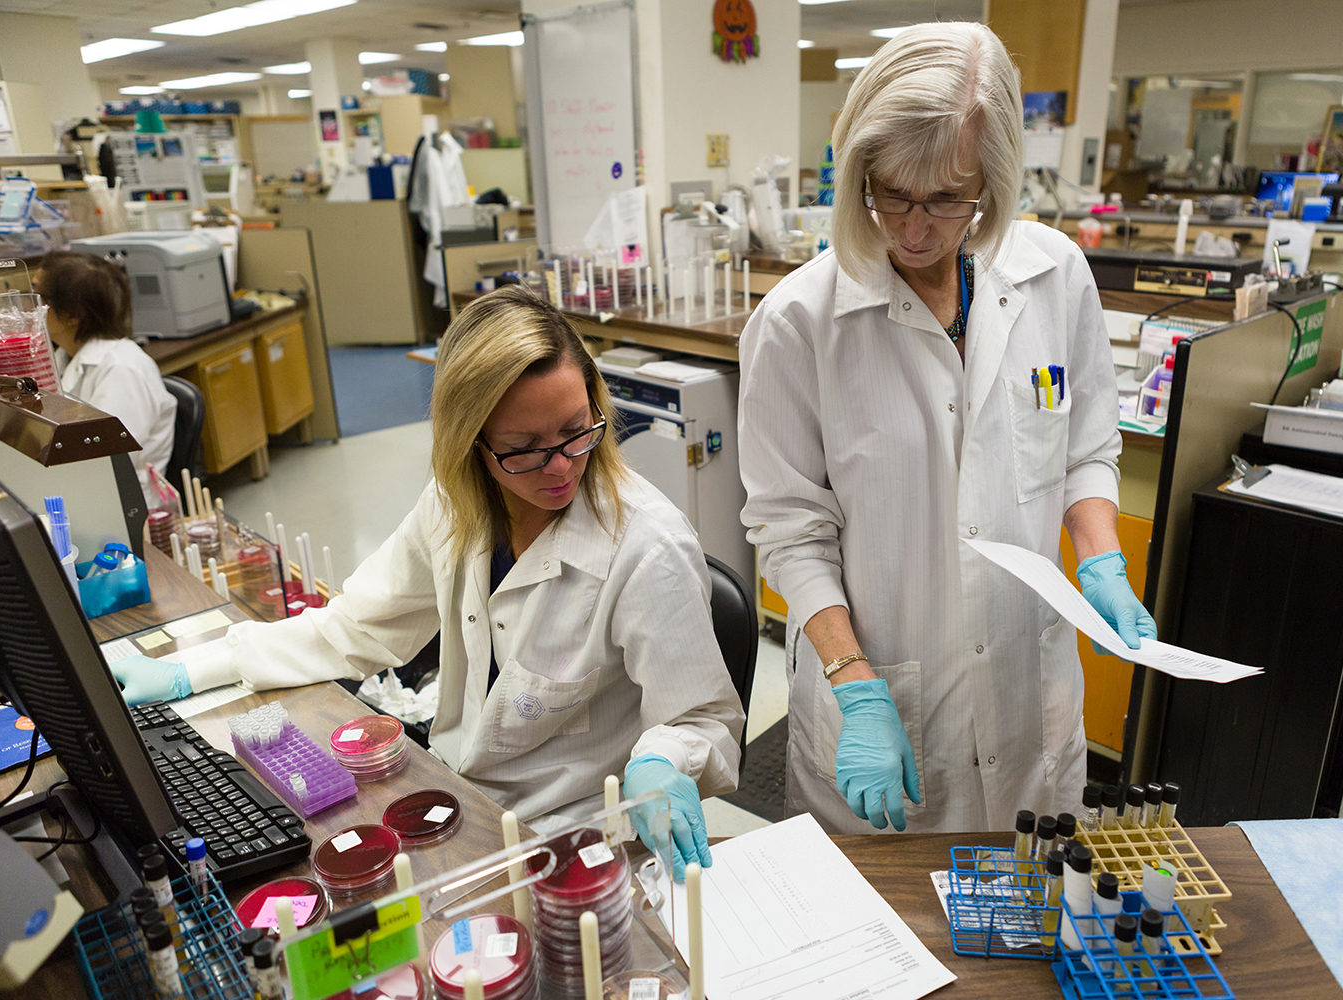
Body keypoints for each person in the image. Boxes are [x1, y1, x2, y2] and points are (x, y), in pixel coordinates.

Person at [111, 287, 744, 871]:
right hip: (460, 803)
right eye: (524, 446)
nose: (561, 466)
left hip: (578, 842)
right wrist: (193, 669)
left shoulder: (645, 546)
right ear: (469, 442)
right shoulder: (454, 503)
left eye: (577, 430)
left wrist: (663, 759)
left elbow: (706, 718)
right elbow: (359, 628)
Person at [737, 23, 1155, 835]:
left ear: (993, 183)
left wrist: (1100, 558)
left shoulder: (1055, 275)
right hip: (887, 696)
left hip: (1029, 691)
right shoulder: (798, 322)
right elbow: (790, 532)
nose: (915, 227)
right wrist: (857, 687)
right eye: (891, 192)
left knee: (1029, 929)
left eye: (945, 199)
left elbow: (1087, 451)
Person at [38, 251, 175, 493]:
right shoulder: (64, 356)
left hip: (123, 504)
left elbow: (105, 464)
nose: (29, 308)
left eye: (38, 296)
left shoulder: (121, 370)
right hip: (82, 487)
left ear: (73, 314)